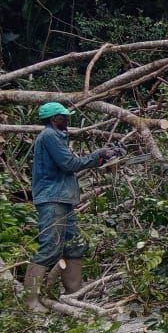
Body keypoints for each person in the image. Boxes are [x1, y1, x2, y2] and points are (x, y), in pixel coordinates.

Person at [21, 102, 116, 312]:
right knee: (49, 247)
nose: (68, 120)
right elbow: (69, 164)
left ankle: (74, 292)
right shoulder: (49, 136)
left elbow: (71, 165)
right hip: (52, 199)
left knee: (73, 244)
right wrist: (97, 153)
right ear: (55, 119)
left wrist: (101, 158)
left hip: (63, 199)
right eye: (64, 117)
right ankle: (30, 302)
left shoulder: (56, 136)